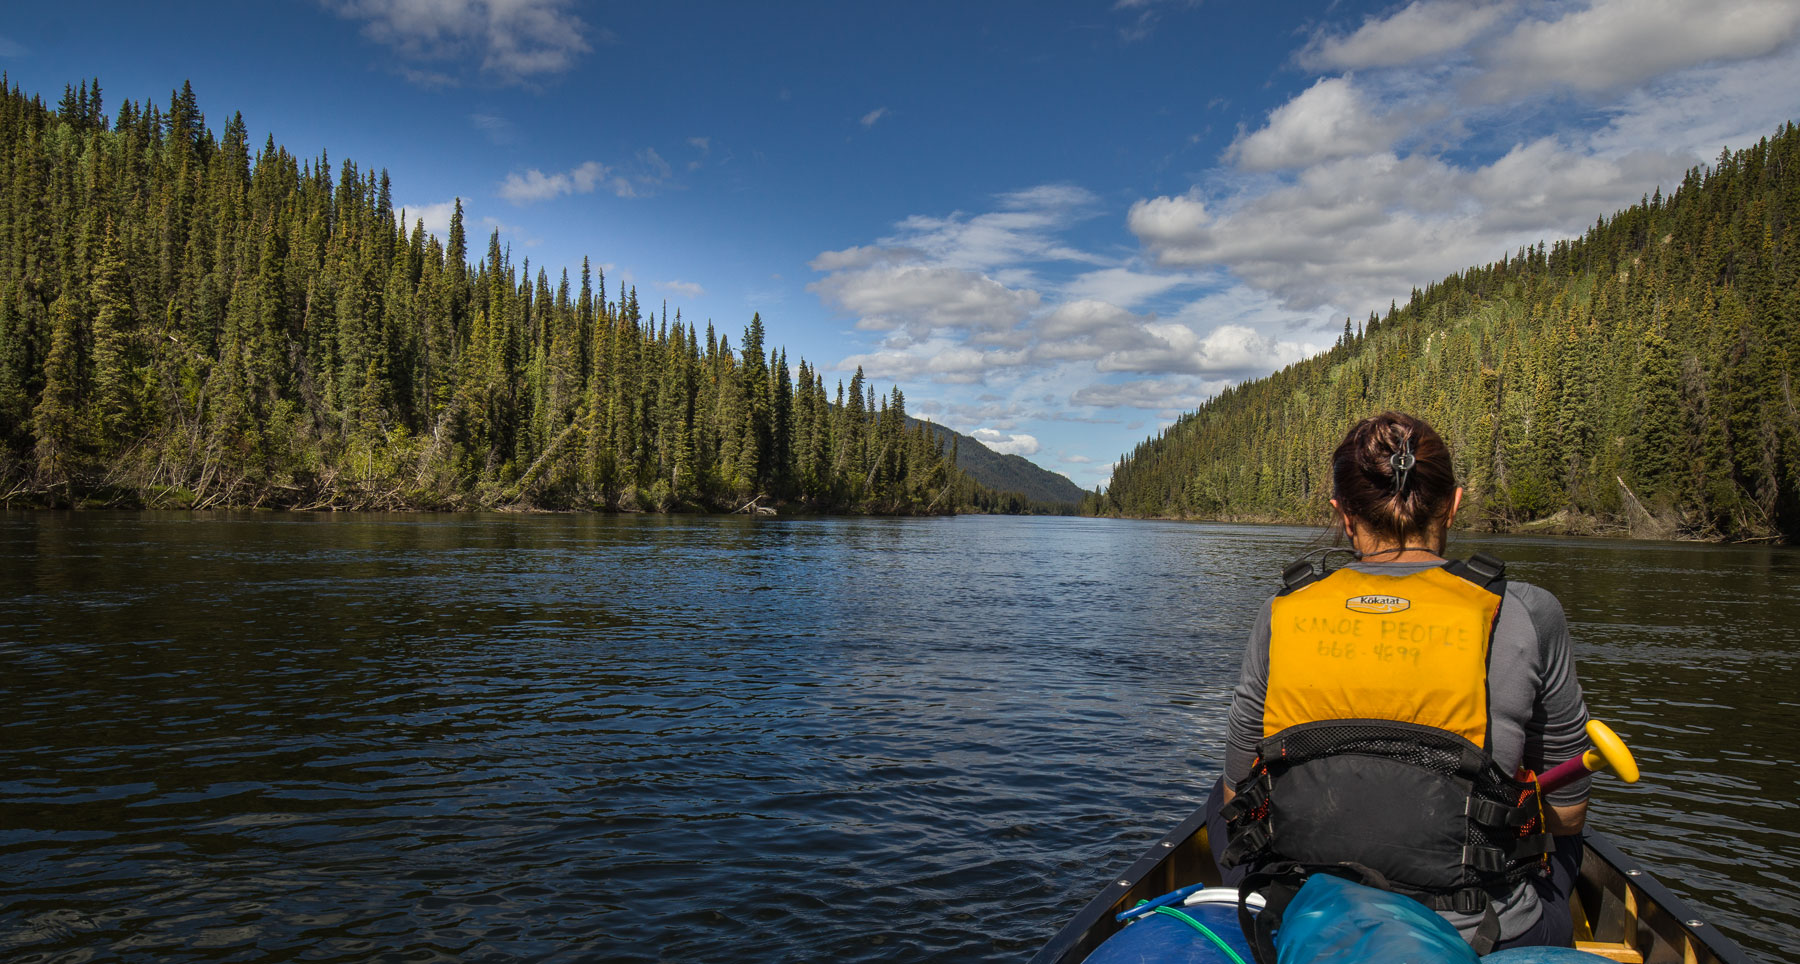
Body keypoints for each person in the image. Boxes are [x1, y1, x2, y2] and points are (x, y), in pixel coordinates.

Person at [1208, 411, 1591, 953]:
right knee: (1561, 833)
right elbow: (1568, 815)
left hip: (1305, 910)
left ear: (1343, 514)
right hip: (1479, 928)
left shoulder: (1284, 609)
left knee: (1222, 795)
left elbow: (1234, 791)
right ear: (1453, 504)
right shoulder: (1527, 610)